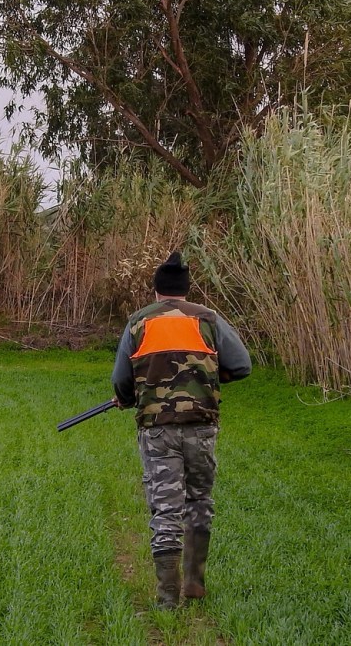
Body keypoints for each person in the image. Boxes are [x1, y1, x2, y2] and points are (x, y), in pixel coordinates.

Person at [111, 251, 251, 609]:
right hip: (202, 426)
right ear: (186, 290)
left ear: (157, 290)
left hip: (157, 429)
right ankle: (195, 582)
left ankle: (167, 597)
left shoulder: (139, 322)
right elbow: (241, 366)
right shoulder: (208, 318)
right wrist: (204, 376)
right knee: (199, 500)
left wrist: (128, 397)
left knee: (165, 507)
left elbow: (122, 381)